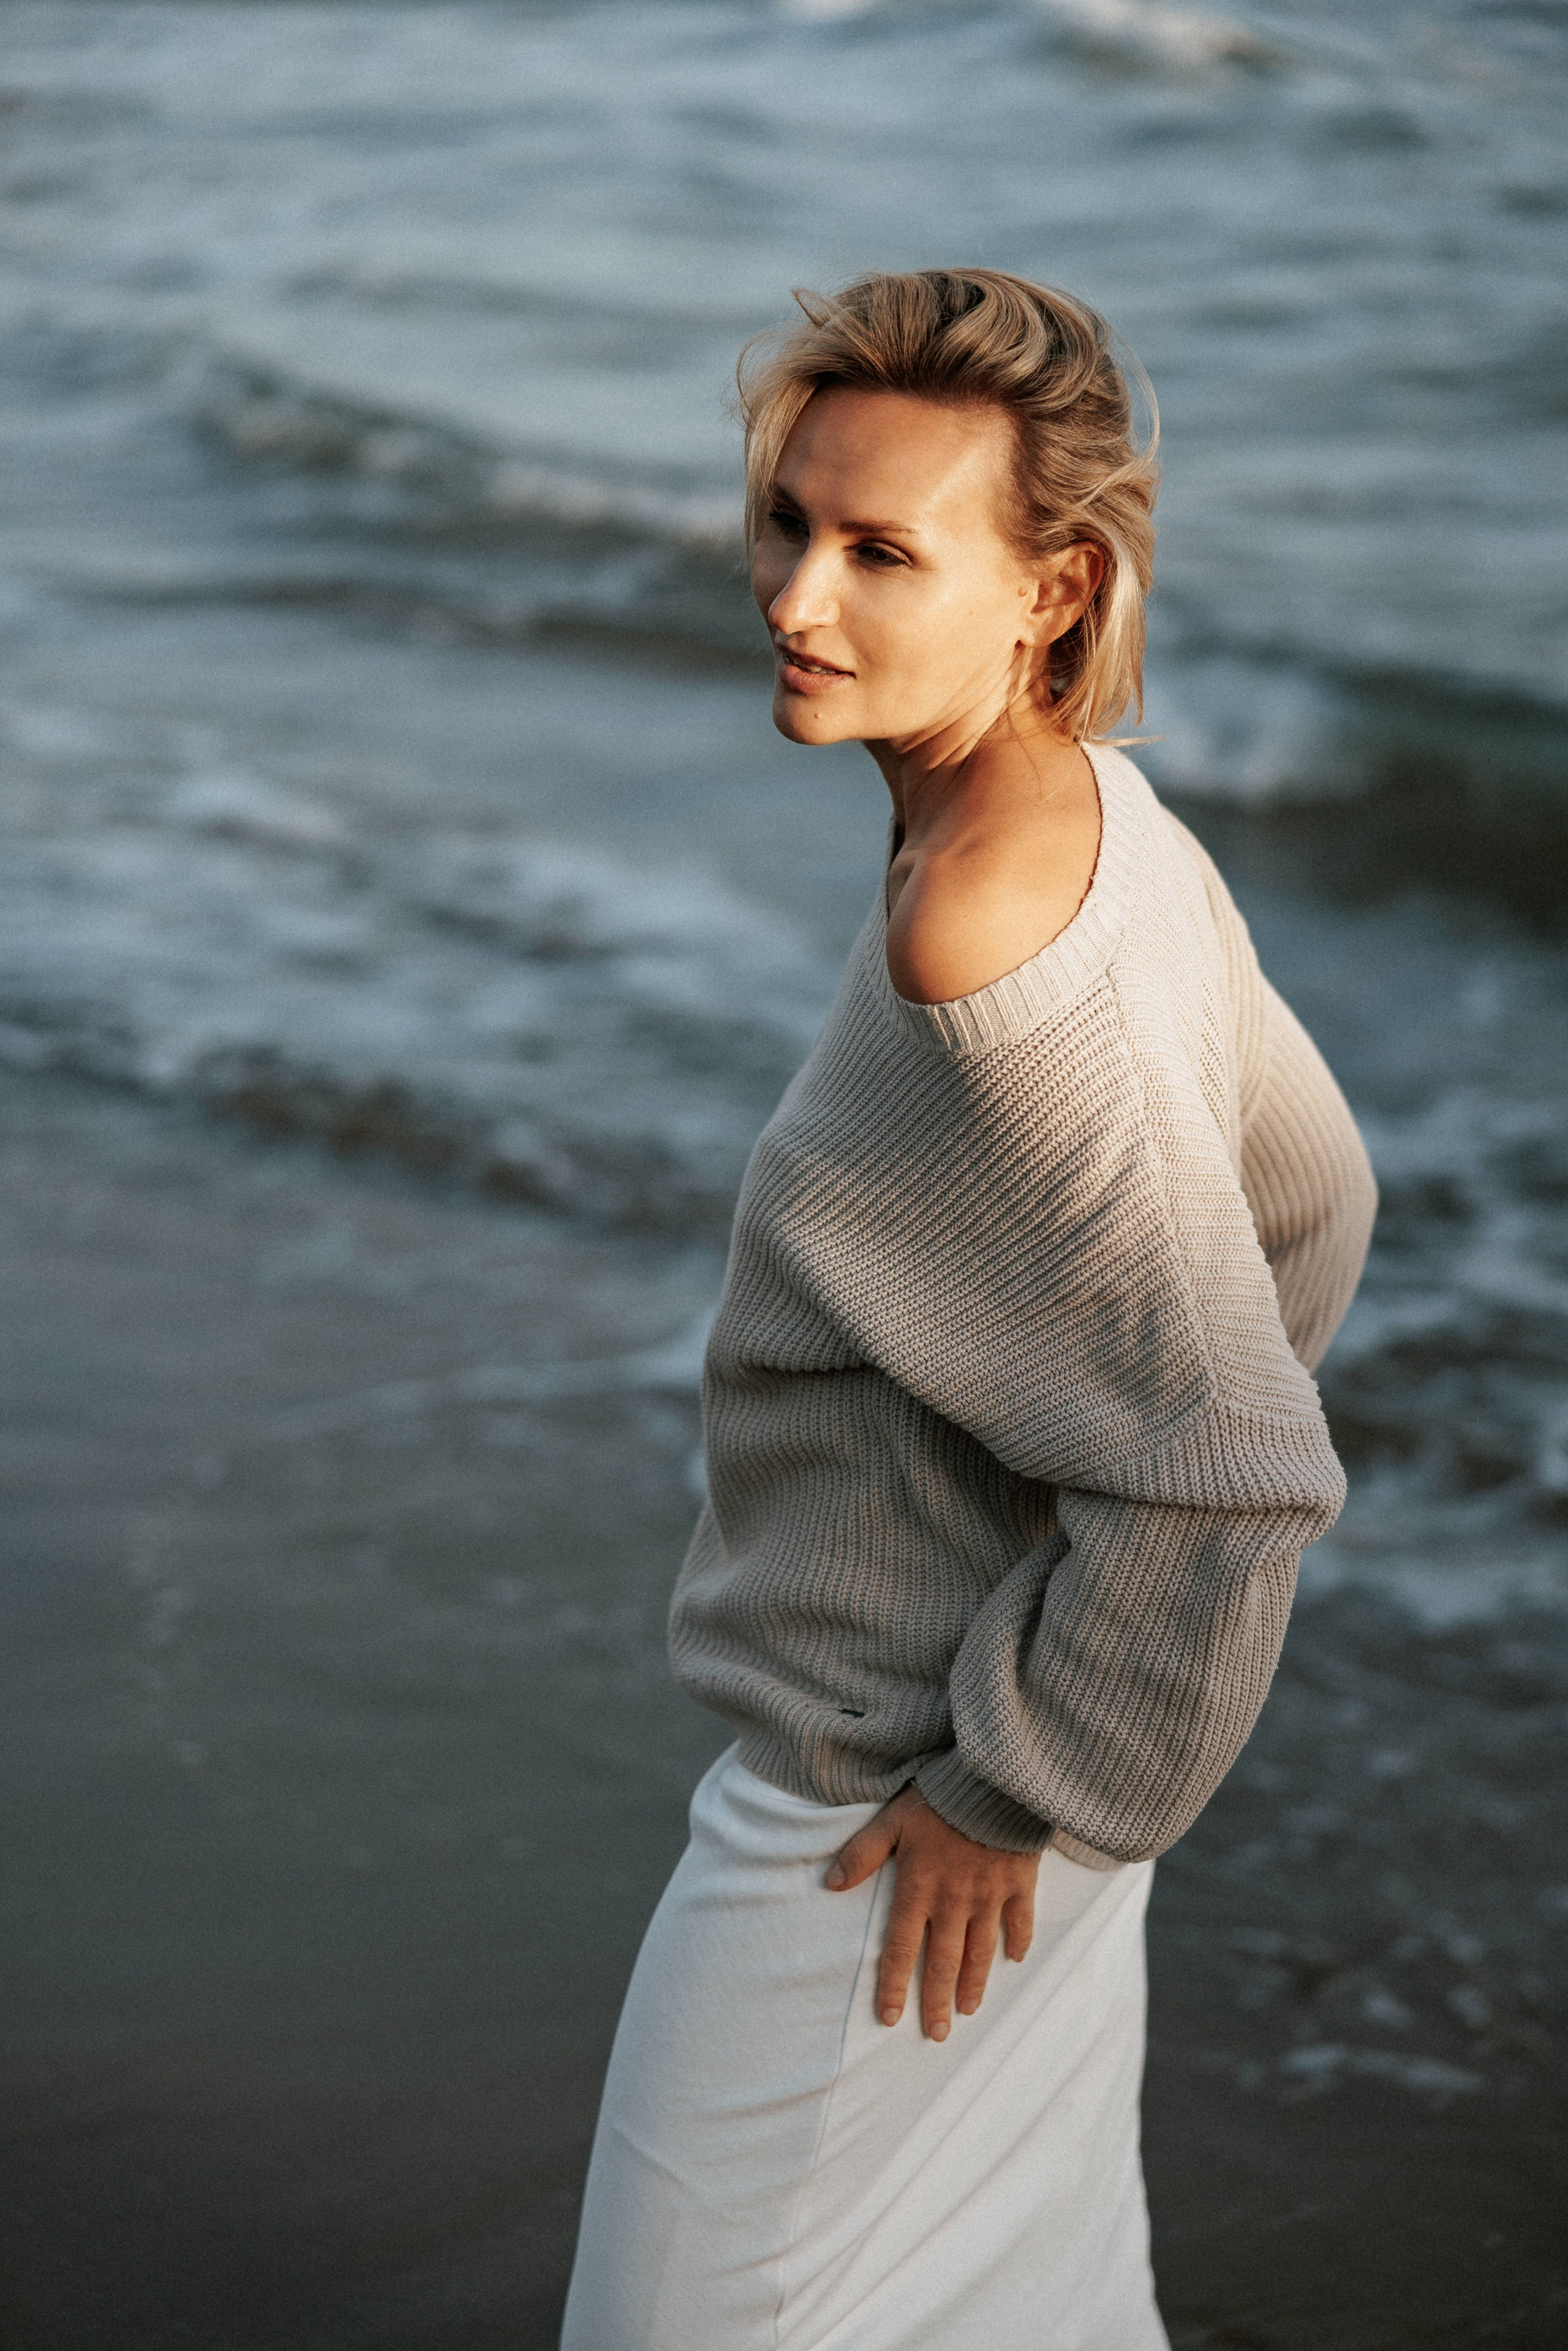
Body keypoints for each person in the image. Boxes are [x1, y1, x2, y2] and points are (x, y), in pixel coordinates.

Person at [559, 268, 1376, 2351]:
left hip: (884, 1829)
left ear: (1051, 587)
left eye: (881, 551)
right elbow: (1314, 1198)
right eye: (787, 523)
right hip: (1012, 1763)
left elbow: (1227, 1468)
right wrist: (1056, 1654)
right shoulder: (1100, 817)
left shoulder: (982, 937)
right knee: (1025, 2305)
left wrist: (1014, 1774)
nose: (796, 594)